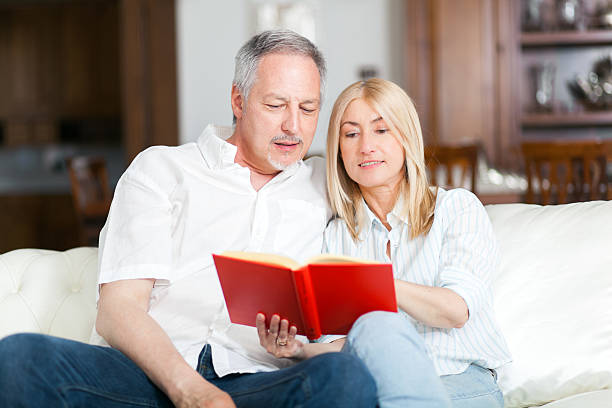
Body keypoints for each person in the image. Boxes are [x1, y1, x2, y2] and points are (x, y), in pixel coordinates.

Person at [0, 30, 377, 408]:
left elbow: (402, 196)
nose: (294, 126)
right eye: (277, 105)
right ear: (238, 100)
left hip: (256, 383)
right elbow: (119, 309)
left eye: (308, 109)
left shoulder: (327, 185)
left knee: (346, 378)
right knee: (19, 358)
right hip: (144, 377)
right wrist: (190, 391)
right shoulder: (162, 169)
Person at [322, 78, 512, 407]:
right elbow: (341, 342)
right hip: (378, 384)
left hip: (460, 378)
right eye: (351, 134)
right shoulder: (337, 236)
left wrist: (376, 286)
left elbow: (455, 310)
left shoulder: (457, 209)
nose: (366, 146)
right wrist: (294, 352)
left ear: (407, 138)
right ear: (338, 150)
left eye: (381, 130)